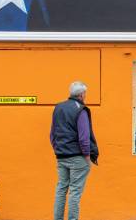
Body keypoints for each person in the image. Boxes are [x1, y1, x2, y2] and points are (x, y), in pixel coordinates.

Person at [50, 81, 99, 220]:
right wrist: (88, 157)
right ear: (82, 94)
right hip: (78, 157)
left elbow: (52, 134)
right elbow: (84, 137)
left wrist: (58, 149)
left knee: (61, 189)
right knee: (75, 192)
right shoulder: (80, 109)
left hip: (61, 156)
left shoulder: (58, 108)